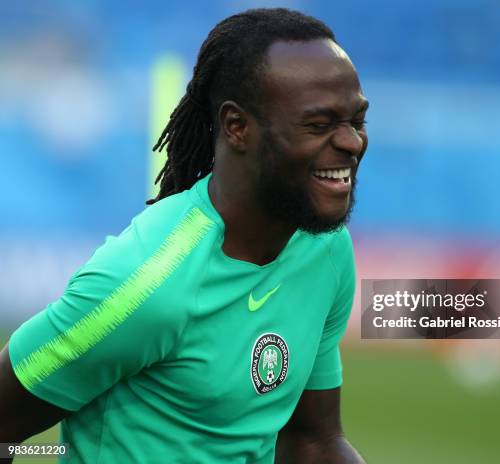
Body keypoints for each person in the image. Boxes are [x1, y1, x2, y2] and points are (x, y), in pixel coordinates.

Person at [0, 7, 368, 463]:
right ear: (237, 127)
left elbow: (313, 442)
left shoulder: (324, 249)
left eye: (357, 120)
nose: (352, 142)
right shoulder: (145, 285)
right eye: (319, 125)